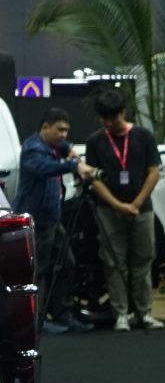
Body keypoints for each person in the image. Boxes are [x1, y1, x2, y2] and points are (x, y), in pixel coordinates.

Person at [84, 87, 164, 332]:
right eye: (103, 119)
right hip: (109, 211)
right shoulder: (95, 141)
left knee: (143, 260)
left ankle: (144, 312)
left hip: (142, 209)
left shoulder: (143, 136)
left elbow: (154, 172)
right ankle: (120, 314)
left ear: (122, 113)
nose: (107, 123)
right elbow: (93, 178)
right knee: (113, 262)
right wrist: (118, 205)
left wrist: (136, 204)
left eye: (112, 118)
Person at [17, 105, 98, 334]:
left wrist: (70, 149)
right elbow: (44, 168)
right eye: (60, 130)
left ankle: (63, 314)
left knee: (67, 264)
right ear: (45, 127)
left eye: (66, 131)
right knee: (39, 271)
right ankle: (39, 321)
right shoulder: (33, 149)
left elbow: (63, 147)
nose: (64, 135)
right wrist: (74, 164)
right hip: (37, 221)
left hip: (52, 220)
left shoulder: (52, 145)